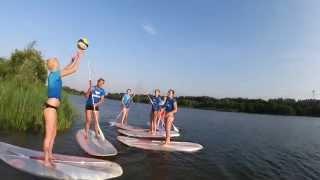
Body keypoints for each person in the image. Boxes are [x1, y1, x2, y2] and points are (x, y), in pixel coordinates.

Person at [43, 50, 85, 167]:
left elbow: (66, 69)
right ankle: (46, 160)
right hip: (50, 109)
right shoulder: (56, 74)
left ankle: (50, 155)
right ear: (55, 65)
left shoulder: (54, 74)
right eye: (58, 62)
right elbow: (73, 70)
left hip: (52, 109)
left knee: (54, 133)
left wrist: (72, 61)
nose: (59, 63)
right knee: (48, 135)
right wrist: (79, 58)